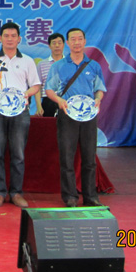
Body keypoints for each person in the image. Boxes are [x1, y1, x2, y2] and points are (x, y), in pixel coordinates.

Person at [0, 22, 41, 208]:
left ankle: (16, 192)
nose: (10, 39)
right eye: (6, 35)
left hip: (20, 111)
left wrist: (27, 94)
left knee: (18, 153)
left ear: (19, 39)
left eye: (13, 36)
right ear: (0, 38)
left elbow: (36, 85)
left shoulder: (27, 61)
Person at [45, 28, 106, 207]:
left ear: (85, 41)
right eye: (73, 39)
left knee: (89, 157)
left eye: (80, 39)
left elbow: (99, 89)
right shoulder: (58, 66)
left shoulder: (94, 66)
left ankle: (90, 196)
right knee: (67, 157)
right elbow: (49, 89)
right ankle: (70, 196)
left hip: (88, 116)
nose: (77, 42)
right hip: (67, 115)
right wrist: (59, 100)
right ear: (68, 43)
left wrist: (98, 99)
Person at [35, 32, 65, 117]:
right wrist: (39, 106)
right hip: (48, 102)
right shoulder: (42, 64)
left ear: (63, 45)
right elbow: (37, 86)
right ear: (49, 46)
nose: (57, 45)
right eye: (54, 43)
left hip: (65, 101)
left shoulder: (70, 64)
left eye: (59, 43)